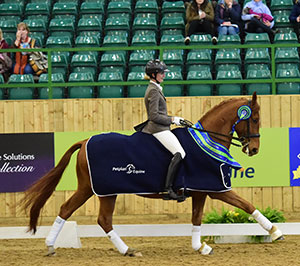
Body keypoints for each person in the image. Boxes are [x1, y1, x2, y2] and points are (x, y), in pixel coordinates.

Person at [136, 59, 186, 202]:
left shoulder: (156, 88)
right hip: (158, 129)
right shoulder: (153, 90)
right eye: (161, 73)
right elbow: (154, 116)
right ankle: (168, 189)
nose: (164, 75)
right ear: (153, 74)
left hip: (162, 127)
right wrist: (172, 119)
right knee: (180, 153)